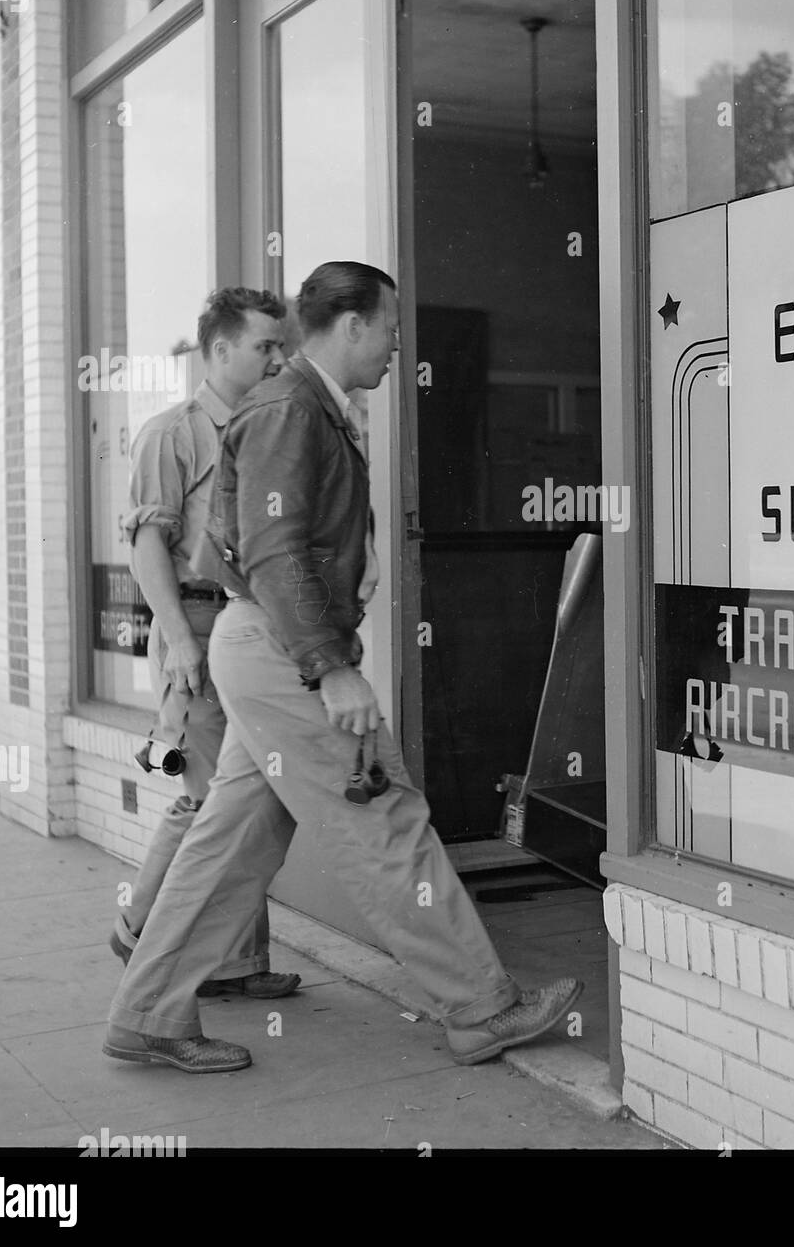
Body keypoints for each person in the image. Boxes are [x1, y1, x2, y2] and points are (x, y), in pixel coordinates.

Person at [103, 261, 581, 1074]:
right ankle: (479, 1006)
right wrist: (331, 668)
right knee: (383, 816)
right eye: (391, 328)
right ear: (352, 325)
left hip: (264, 645)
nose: (399, 346)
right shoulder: (294, 406)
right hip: (284, 653)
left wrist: (347, 571)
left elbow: (277, 543)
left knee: (232, 842)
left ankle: (146, 1013)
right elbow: (273, 549)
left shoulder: (310, 405)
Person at [110, 286, 300, 1001]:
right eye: (265, 346)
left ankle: (238, 964)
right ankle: (136, 930)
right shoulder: (173, 432)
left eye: (281, 345)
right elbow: (146, 546)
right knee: (209, 800)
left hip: (252, 631)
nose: (278, 357)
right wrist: (181, 646)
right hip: (195, 626)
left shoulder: (267, 426)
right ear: (220, 350)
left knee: (245, 799)